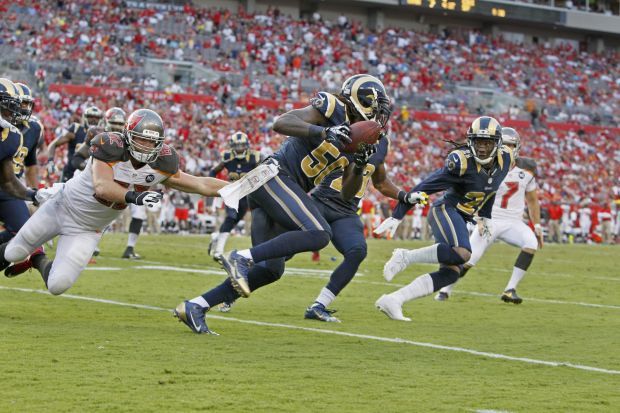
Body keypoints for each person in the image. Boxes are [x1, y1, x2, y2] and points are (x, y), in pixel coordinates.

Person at [174, 74, 392, 334]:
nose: (378, 116)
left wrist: (358, 164)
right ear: (359, 100)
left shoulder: (359, 137)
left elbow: (347, 194)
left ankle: (196, 306)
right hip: (273, 175)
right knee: (320, 233)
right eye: (375, 108)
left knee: (270, 270)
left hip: (284, 190)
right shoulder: (333, 107)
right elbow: (282, 122)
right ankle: (240, 257)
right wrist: (324, 131)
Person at [0, 109, 249, 296]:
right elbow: (102, 186)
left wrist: (239, 188)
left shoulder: (163, 162)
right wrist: (135, 196)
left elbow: (201, 184)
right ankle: (26, 254)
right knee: (12, 251)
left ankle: (36, 259)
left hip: (89, 229)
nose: (147, 145)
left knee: (57, 286)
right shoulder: (110, 146)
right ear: (128, 136)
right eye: (142, 139)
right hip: (61, 208)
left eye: (152, 141)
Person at [374, 116, 514, 321]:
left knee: (451, 272)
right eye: (478, 142)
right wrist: (398, 215)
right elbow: (425, 187)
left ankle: (394, 300)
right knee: (463, 253)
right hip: (446, 210)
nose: (482, 148)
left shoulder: (505, 159)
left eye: (487, 142)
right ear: (470, 141)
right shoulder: (461, 162)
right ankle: (406, 257)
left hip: (464, 216)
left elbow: (490, 188)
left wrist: (485, 216)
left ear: (498, 144)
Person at [434, 127, 542, 304]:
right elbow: (472, 192)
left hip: (514, 222)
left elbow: (532, 199)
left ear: (517, 147)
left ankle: (510, 289)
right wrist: (477, 217)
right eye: (504, 144)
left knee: (531, 243)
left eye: (511, 145)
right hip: (489, 220)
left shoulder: (528, 169)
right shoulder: (485, 165)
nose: (508, 148)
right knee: (469, 260)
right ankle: (445, 289)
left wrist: (537, 225)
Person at [71, 107, 128, 258]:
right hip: (89, 178)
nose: (116, 127)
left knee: (104, 213)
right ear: (106, 122)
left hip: (110, 181)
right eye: (113, 123)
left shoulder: (128, 141)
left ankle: (89, 243)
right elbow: (76, 159)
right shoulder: (96, 133)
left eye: (119, 123)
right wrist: (90, 171)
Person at [207, 131, 261, 261]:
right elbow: (213, 171)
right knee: (230, 217)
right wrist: (211, 185)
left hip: (246, 195)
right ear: (232, 146)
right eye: (236, 146)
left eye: (241, 145)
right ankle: (218, 251)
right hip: (231, 192)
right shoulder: (227, 157)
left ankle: (216, 237)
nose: (239, 148)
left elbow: (262, 173)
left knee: (234, 221)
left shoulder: (254, 157)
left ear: (246, 145)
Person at [47, 106, 104, 182]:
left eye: (96, 117)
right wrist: (50, 161)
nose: (93, 119)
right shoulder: (76, 129)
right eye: (90, 117)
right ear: (85, 118)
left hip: (92, 175)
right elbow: (53, 144)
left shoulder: (104, 135)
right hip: (71, 173)